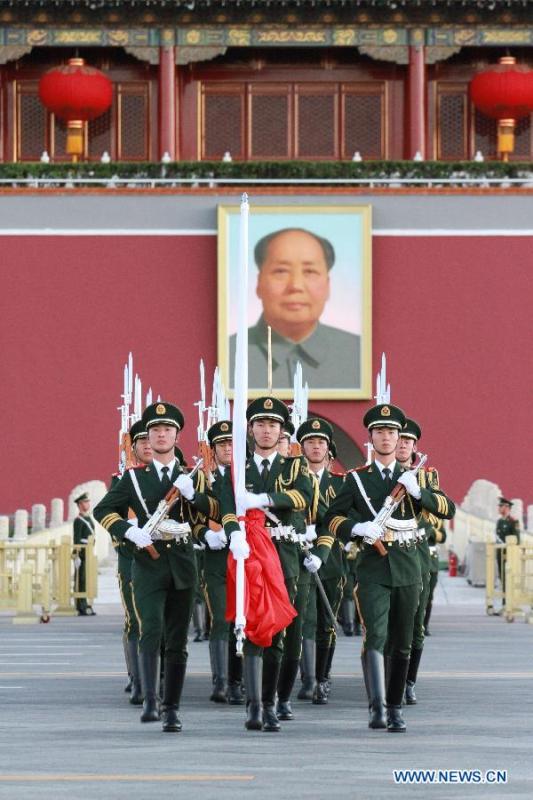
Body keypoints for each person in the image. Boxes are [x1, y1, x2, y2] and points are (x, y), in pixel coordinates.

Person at [323, 403, 456, 733]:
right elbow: (332, 518)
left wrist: (419, 492)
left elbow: (447, 509)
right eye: (380, 432)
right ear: (370, 438)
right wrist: (356, 529)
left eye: (392, 432)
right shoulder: (355, 480)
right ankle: (377, 707)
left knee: (403, 638)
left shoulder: (414, 478)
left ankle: (396, 707)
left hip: (410, 565)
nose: (386, 437)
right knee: (376, 635)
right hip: (373, 567)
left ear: (399, 439)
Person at [94, 401, 204, 733]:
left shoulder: (192, 478)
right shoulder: (132, 478)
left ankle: (172, 708)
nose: (160, 435)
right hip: (147, 565)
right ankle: (151, 699)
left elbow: (211, 515)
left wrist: (195, 495)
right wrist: (129, 531)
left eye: (166, 430)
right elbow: (104, 510)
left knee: (177, 639)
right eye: (154, 431)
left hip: (183, 564)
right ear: (148, 438)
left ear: (176, 436)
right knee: (150, 631)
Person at [220, 396, 318, 732]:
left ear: (281, 431)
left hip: (283, 556)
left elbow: (303, 496)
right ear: (250, 429)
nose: (266, 430)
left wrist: (263, 500)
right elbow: (226, 508)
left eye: (272, 425)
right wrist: (234, 533)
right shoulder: (237, 469)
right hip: (247, 555)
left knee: (276, 631)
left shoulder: (294, 466)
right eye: (260, 424)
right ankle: (253, 705)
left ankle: (271, 701)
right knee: (250, 629)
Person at [229, 228, 361, 389]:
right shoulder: (227, 354)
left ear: (328, 285)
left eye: (310, 271)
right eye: (281, 271)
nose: (296, 286)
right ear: (259, 284)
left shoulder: (359, 354)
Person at [194, 420, 244, 705]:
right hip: (216, 558)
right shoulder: (204, 480)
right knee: (221, 620)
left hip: (247, 555)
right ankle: (221, 681)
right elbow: (191, 520)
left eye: (231, 444)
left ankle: (241, 679)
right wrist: (205, 534)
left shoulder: (249, 478)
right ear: (212, 450)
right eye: (222, 445)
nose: (227, 448)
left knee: (245, 619)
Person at [297, 418, 345, 706]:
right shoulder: (292, 479)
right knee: (304, 618)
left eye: (321, 442)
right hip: (298, 556)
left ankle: (323, 678)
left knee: (326, 621)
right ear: (301, 448)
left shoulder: (340, 483)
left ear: (329, 450)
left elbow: (347, 517)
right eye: (311, 442)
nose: (316, 447)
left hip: (331, 561)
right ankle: (308, 679)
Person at [109, 419, 153, 704]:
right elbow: (112, 518)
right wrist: (130, 532)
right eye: (142, 441)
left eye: (152, 439)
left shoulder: (173, 476)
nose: (149, 445)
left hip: (165, 558)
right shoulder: (122, 479)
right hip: (131, 558)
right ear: (133, 447)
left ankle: (153, 675)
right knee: (134, 622)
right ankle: (136, 679)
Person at [73, 492, 96, 617]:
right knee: (80, 579)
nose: (88, 504)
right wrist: (76, 555)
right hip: (82, 553)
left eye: (88, 501)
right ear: (80, 504)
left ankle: (86, 603)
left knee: (87, 579)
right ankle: (80, 605)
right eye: (85, 502)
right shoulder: (79, 520)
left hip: (89, 551)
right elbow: (76, 539)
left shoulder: (88, 518)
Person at [495, 497, 520, 602]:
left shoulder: (513, 521)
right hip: (500, 553)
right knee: (502, 577)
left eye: (501, 506)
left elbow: (517, 539)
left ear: (507, 507)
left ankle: (508, 601)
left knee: (509, 577)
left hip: (509, 553)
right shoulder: (499, 521)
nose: (499, 508)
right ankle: (505, 601)